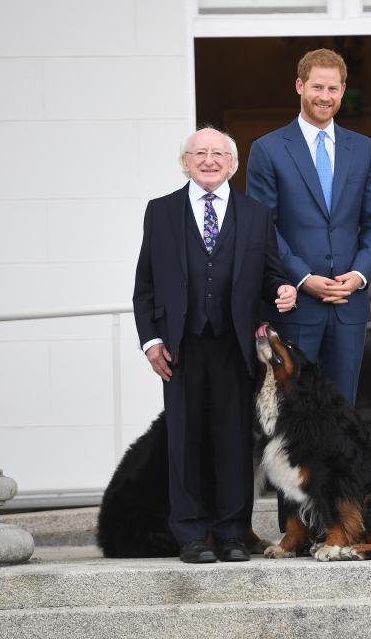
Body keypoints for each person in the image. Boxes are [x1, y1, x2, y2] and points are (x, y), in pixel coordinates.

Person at [133, 126, 297, 563]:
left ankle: (230, 532)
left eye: (218, 153)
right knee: (184, 440)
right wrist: (151, 341)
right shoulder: (161, 212)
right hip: (180, 347)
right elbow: (145, 285)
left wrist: (283, 290)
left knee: (233, 442)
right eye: (199, 153)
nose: (209, 160)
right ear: (185, 162)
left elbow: (271, 274)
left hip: (234, 345)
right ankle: (189, 534)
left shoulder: (256, 214)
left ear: (233, 164)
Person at [246, 48, 371, 406]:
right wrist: (303, 278)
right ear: (299, 86)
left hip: (348, 304)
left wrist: (359, 274)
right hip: (295, 307)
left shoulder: (364, 149)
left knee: (343, 413)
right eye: (317, 87)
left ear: (343, 90)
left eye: (333, 89)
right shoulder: (268, 149)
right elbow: (264, 226)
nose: (325, 97)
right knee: (292, 412)